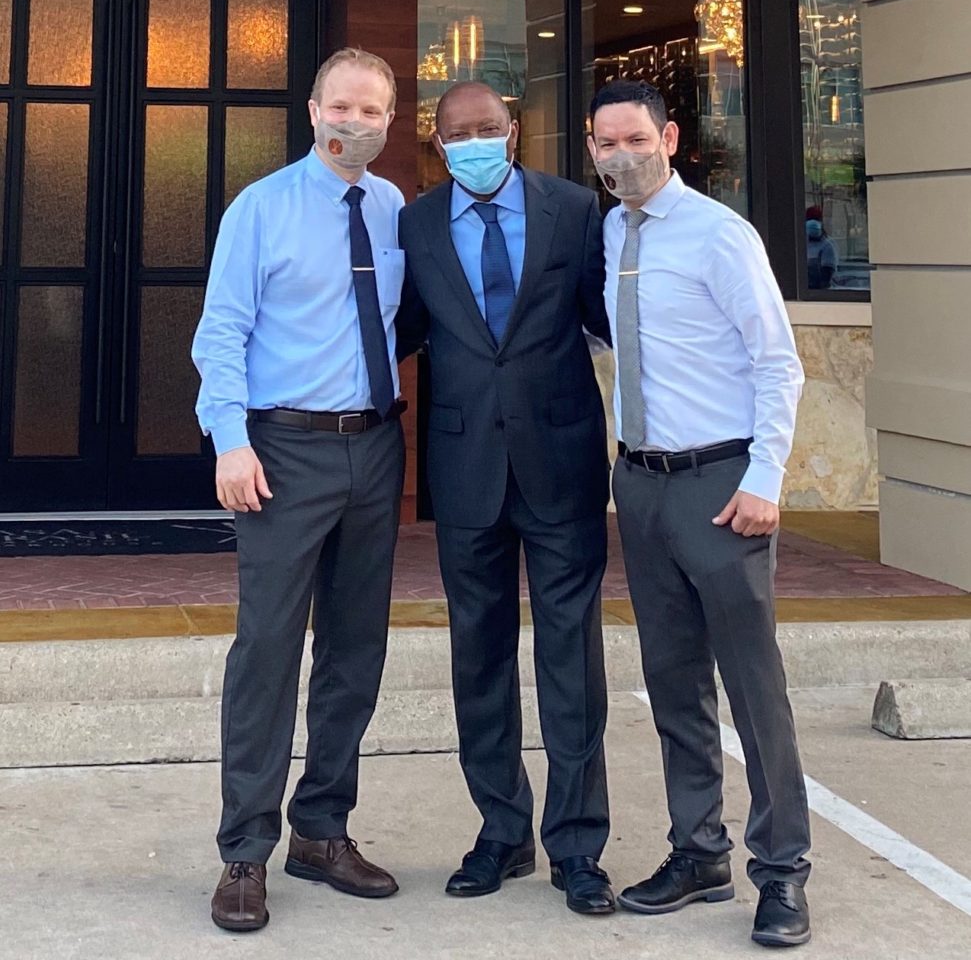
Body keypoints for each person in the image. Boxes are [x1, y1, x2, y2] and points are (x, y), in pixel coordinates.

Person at [587, 79, 812, 948]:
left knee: (752, 688)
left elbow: (776, 362)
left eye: (636, 139)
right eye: (607, 144)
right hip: (640, 483)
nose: (622, 157)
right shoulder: (611, 234)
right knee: (673, 680)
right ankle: (698, 850)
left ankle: (782, 870)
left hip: (720, 485)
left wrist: (765, 479)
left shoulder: (721, 234)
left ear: (670, 138)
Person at [191, 47, 407, 933]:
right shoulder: (261, 207)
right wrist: (231, 441)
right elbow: (220, 332)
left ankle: (321, 831)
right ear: (313, 110)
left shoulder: (392, 208)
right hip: (282, 451)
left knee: (355, 650)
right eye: (340, 106)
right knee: (269, 651)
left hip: (375, 448)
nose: (354, 122)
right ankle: (245, 850)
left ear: (390, 120)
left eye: (371, 110)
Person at [395, 82, 615, 916]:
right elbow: (397, 329)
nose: (475, 142)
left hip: (561, 462)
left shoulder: (573, 209)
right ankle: (500, 831)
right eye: (459, 134)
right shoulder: (416, 224)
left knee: (571, 661)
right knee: (479, 656)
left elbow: (611, 318)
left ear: (513, 133)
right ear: (438, 144)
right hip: (464, 470)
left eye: (488, 128)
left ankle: (578, 844)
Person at [805, 205, 839, 289]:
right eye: (809, 219)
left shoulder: (827, 245)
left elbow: (827, 274)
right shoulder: (802, 243)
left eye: (815, 219)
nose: (812, 223)